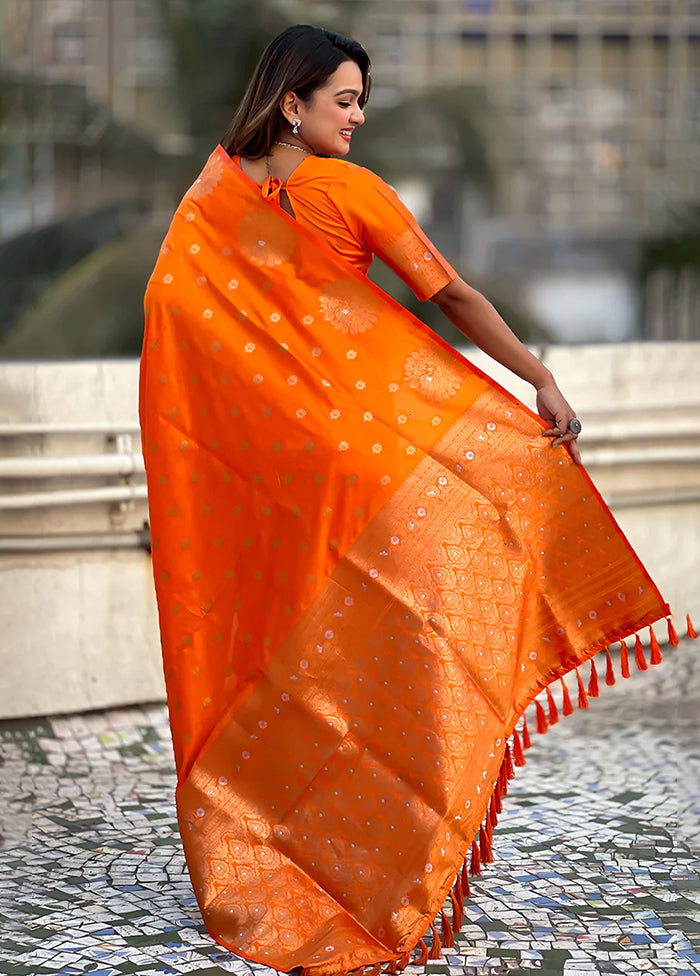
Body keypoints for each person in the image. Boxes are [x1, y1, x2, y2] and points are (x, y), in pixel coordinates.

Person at [139, 24, 683, 976]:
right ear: (293, 103)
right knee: (395, 658)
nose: (356, 118)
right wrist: (537, 378)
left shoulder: (208, 207)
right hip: (379, 475)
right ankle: (387, 870)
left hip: (282, 488)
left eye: (360, 103)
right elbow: (454, 296)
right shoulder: (347, 191)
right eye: (344, 100)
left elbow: (179, 335)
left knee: (300, 669)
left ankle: (286, 861)